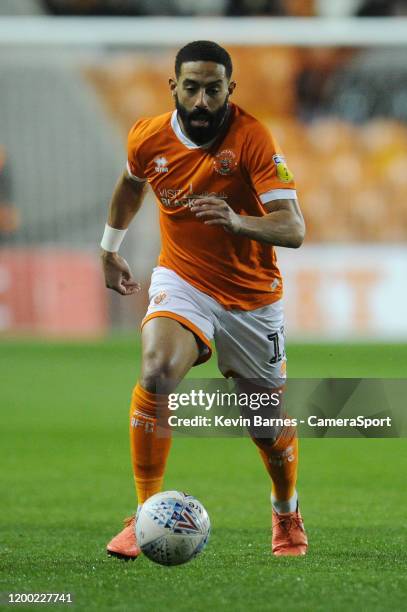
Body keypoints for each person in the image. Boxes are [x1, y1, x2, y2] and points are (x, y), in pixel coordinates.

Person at [100, 40, 307, 558]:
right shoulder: (148, 137)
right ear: (174, 86)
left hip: (251, 297)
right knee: (155, 372)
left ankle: (286, 512)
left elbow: (294, 227)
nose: (200, 101)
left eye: (212, 90)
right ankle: (145, 514)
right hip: (183, 280)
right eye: (190, 88)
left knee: (264, 425)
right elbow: (131, 183)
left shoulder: (254, 138)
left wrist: (239, 221)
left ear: (228, 90)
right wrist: (109, 246)